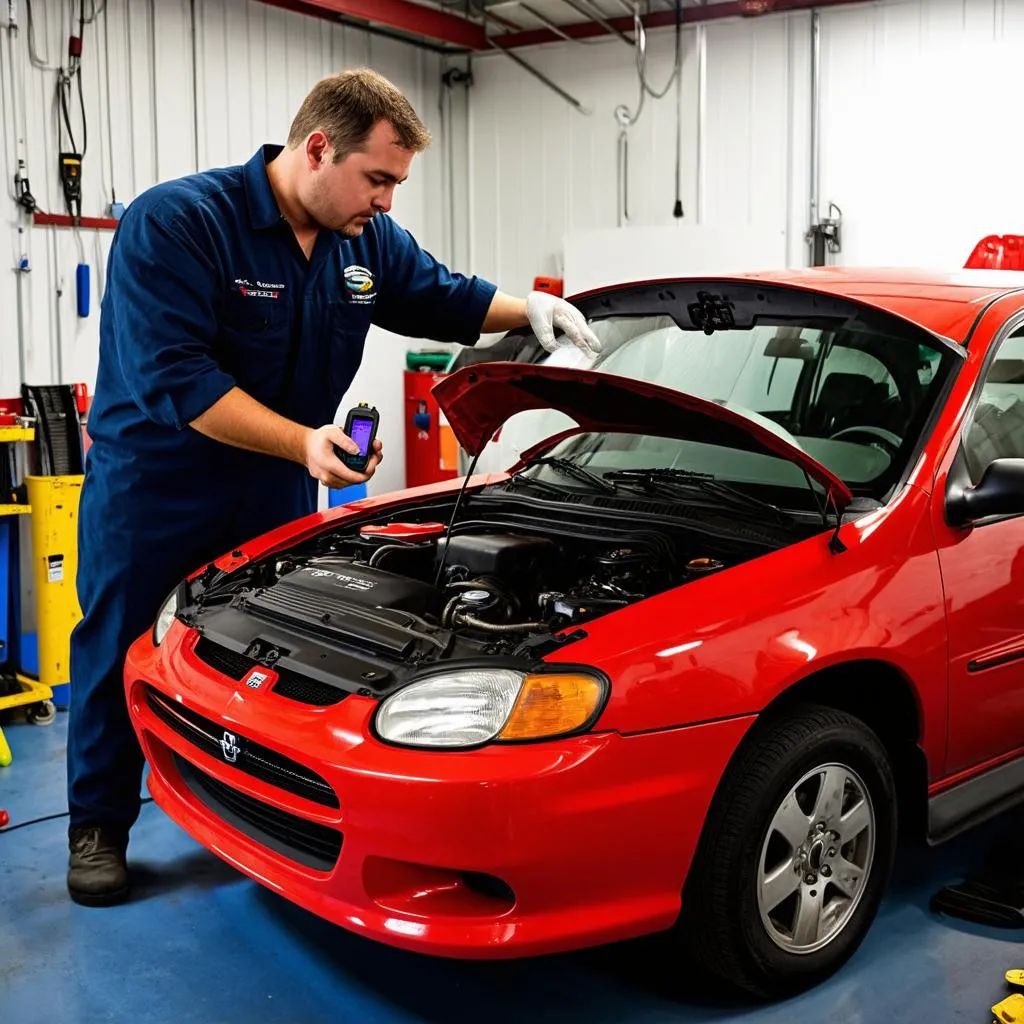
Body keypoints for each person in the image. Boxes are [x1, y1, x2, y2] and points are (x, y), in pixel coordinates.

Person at [66, 67, 601, 906]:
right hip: (156, 485)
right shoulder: (178, 223)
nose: (387, 202)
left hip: (278, 483)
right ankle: (98, 824)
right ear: (318, 148)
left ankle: (251, 803)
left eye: (396, 183)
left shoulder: (363, 242)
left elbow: (437, 292)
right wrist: (304, 442)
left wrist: (526, 309)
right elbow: (180, 379)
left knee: (260, 653)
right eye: (378, 178)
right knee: (120, 644)